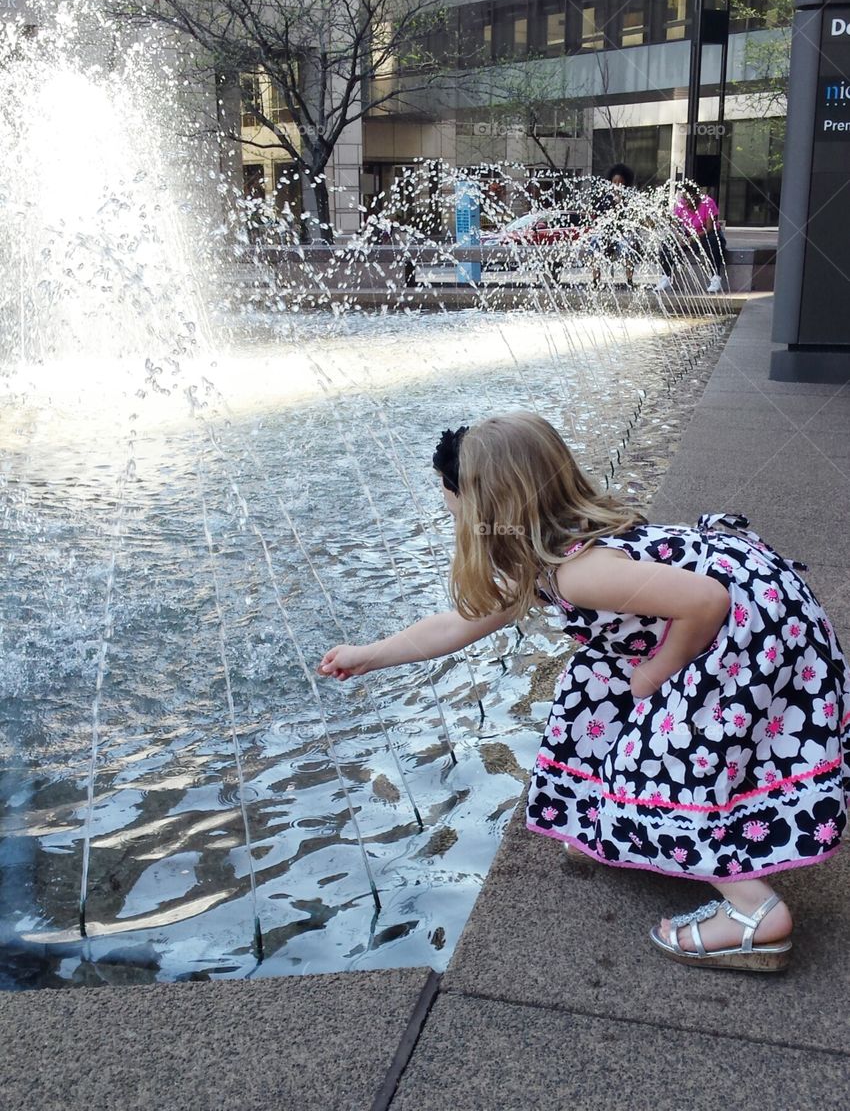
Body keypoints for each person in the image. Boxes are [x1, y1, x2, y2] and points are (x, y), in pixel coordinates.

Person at [319, 414, 850, 972]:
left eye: (449, 495)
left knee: (667, 757)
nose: (446, 504)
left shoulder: (579, 574)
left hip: (752, 638)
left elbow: (707, 602)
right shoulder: (550, 554)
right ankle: (611, 815)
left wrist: (659, 671)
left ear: (484, 506)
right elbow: (458, 624)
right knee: (594, 686)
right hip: (744, 622)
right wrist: (368, 655)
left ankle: (755, 912)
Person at [672, 183, 726, 293]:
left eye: (687, 198)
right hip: (690, 236)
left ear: (695, 197)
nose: (684, 202)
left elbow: (709, 228)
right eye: (683, 198)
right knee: (668, 241)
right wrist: (680, 237)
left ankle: (715, 277)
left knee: (712, 241)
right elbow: (674, 224)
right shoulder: (681, 204)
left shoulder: (707, 203)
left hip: (707, 234)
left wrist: (692, 238)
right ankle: (666, 276)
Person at [590, 164, 636, 288]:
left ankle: (629, 279)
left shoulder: (628, 199)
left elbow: (630, 218)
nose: (617, 185)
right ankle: (595, 279)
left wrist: (620, 204)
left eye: (620, 182)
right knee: (595, 244)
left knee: (627, 247)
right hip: (606, 232)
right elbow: (599, 215)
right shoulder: (605, 198)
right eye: (614, 182)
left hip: (621, 233)